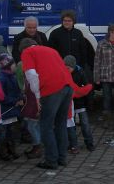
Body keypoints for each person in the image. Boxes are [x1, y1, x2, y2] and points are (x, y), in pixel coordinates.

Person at [19, 38, 74, 170]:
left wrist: (37, 96)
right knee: (61, 124)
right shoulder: (51, 50)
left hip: (51, 89)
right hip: (67, 86)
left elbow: (31, 75)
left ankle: (51, 160)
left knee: (46, 126)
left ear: (23, 49)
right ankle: (62, 158)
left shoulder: (27, 53)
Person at [64, 55, 94, 153]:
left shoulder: (81, 73)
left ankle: (89, 143)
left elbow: (87, 89)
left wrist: (89, 103)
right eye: (66, 68)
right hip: (70, 104)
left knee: (85, 124)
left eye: (69, 68)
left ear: (73, 66)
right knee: (71, 126)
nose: (67, 70)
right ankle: (73, 145)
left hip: (80, 103)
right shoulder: (64, 73)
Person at [0, 54, 22, 161]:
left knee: (12, 132)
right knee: (4, 133)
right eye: (13, 64)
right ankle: (3, 152)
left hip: (13, 110)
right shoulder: (2, 79)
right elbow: (2, 97)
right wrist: (15, 101)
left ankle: (12, 149)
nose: (15, 66)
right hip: (6, 110)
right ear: (7, 66)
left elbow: (17, 91)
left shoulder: (13, 77)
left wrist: (20, 97)